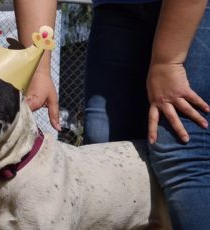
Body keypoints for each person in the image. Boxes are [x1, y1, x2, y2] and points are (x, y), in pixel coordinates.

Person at [14, 0, 210, 229]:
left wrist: (167, 63)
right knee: (103, 146)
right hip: (117, 7)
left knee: (180, 154)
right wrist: (38, 70)